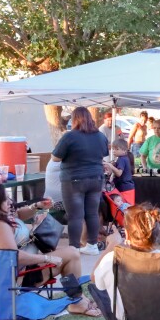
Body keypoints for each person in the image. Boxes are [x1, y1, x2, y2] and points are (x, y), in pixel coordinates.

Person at [0, 183, 101, 317]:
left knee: (68, 252)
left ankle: (79, 299)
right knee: (72, 253)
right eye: (5, 199)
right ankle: (78, 302)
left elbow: (18, 215)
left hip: (3, 278)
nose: (10, 202)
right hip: (14, 282)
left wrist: (36, 206)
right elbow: (14, 256)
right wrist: (47, 258)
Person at [52, 107, 109, 256]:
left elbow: (55, 158)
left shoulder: (70, 136)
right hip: (96, 179)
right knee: (92, 213)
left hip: (74, 180)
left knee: (75, 216)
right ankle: (92, 245)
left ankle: (74, 249)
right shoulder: (100, 136)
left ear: (74, 119)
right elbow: (104, 153)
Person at [103, 138, 135, 205]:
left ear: (124, 150)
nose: (114, 151)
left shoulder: (122, 159)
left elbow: (119, 173)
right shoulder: (123, 158)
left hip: (125, 188)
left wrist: (110, 166)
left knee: (125, 207)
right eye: (113, 149)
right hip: (126, 187)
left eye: (117, 149)